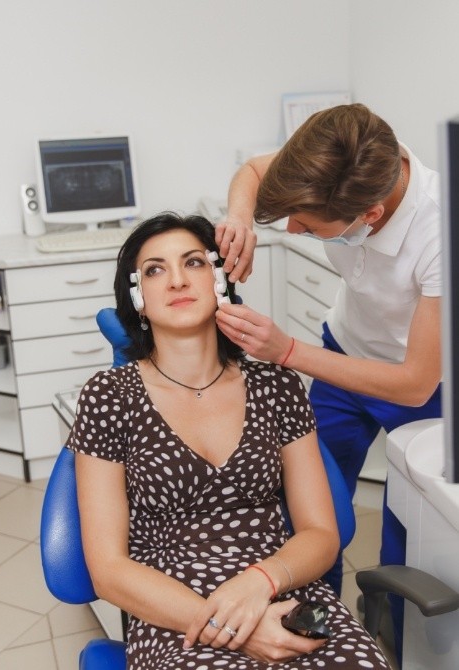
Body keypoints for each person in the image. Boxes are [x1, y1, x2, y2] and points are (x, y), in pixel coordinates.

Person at [66, 212, 391, 669]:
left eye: (194, 262)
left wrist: (259, 581)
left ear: (220, 279)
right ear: (138, 298)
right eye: (156, 270)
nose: (177, 280)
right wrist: (232, 627)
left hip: (279, 588)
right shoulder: (108, 396)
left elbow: (321, 531)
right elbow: (109, 570)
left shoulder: (276, 385)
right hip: (173, 611)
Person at [213, 103, 442, 665]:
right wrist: (241, 219)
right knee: (309, 507)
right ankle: (307, 635)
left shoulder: (440, 234)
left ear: (370, 212)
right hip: (343, 352)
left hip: (422, 387)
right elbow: (251, 172)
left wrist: (287, 351)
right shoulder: (347, 154)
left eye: (308, 227)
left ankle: (393, 644)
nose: (292, 231)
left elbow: (413, 383)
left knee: (406, 540)